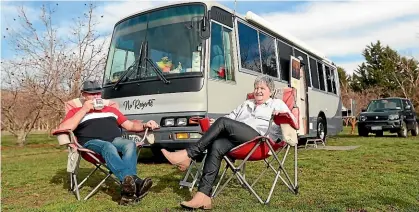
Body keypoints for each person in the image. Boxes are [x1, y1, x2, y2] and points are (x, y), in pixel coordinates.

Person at [161, 75, 295, 210]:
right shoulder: (247, 103)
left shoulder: (276, 104)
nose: (258, 91)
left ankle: (188, 154)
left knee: (223, 123)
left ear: (270, 91)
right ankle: (203, 196)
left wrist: (282, 115)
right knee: (216, 145)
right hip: (239, 141)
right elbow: (230, 118)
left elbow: (294, 122)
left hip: (260, 141)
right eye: (256, 88)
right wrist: (215, 124)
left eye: (262, 88)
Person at [58, 80, 159, 205]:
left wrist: (145, 125)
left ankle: (128, 194)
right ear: (83, 94)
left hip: (115, 140)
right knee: (108, 146)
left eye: (98, 93)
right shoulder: (76, 111)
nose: (96, 97)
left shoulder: (111, 110)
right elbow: (64, 127)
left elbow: (130, 125)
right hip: (91, 144)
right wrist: (84, 110)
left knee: (129, 144)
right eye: (91, 94)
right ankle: (135, 181)